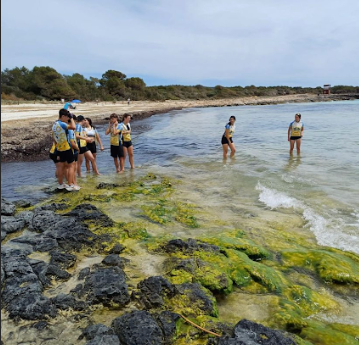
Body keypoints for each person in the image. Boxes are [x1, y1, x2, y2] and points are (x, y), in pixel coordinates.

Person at [52, 109, 76, 190]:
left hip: (59, 148)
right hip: (66, 147)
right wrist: (72, 118)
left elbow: (54, 139)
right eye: (67, 117)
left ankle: (61, 184)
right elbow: (73, 127)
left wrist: (58, 152)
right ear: (62, 116)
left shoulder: (54, 125)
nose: (68, 119)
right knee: (71, 165)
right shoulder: (62, 124)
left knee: (61, 167)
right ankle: (70, 184)